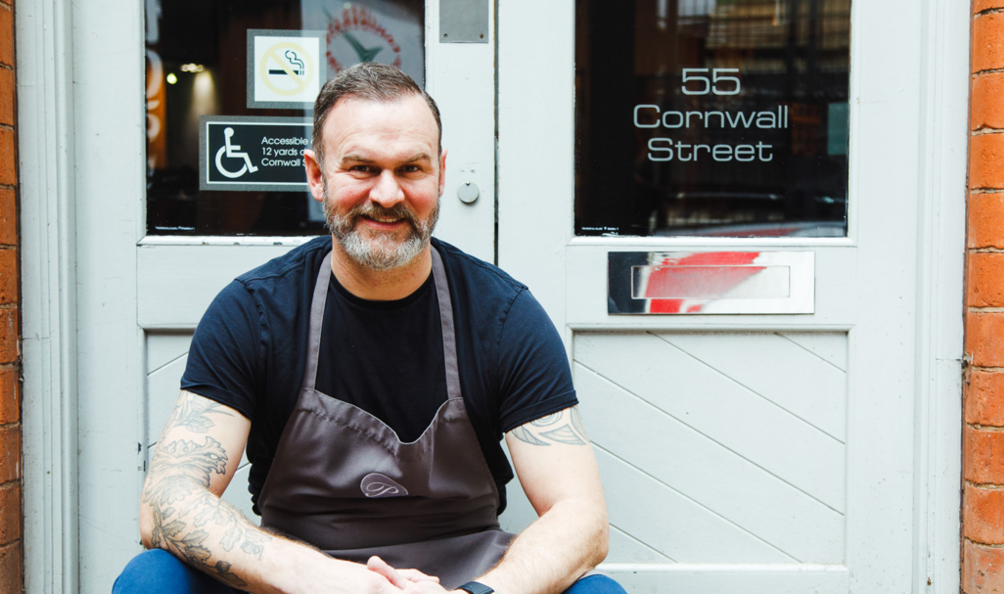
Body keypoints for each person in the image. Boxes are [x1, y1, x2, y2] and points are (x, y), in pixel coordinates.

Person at [113, 63, 623, 594]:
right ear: (316, 174)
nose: (387, 194)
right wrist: (325, 579)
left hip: (462, 583)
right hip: (299, 581)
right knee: (153, 580)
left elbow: (582, 516)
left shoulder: (502, 315)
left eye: (411, 169)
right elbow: (166, 500)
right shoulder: (256, 312)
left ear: (441, 174)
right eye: (361, 168)